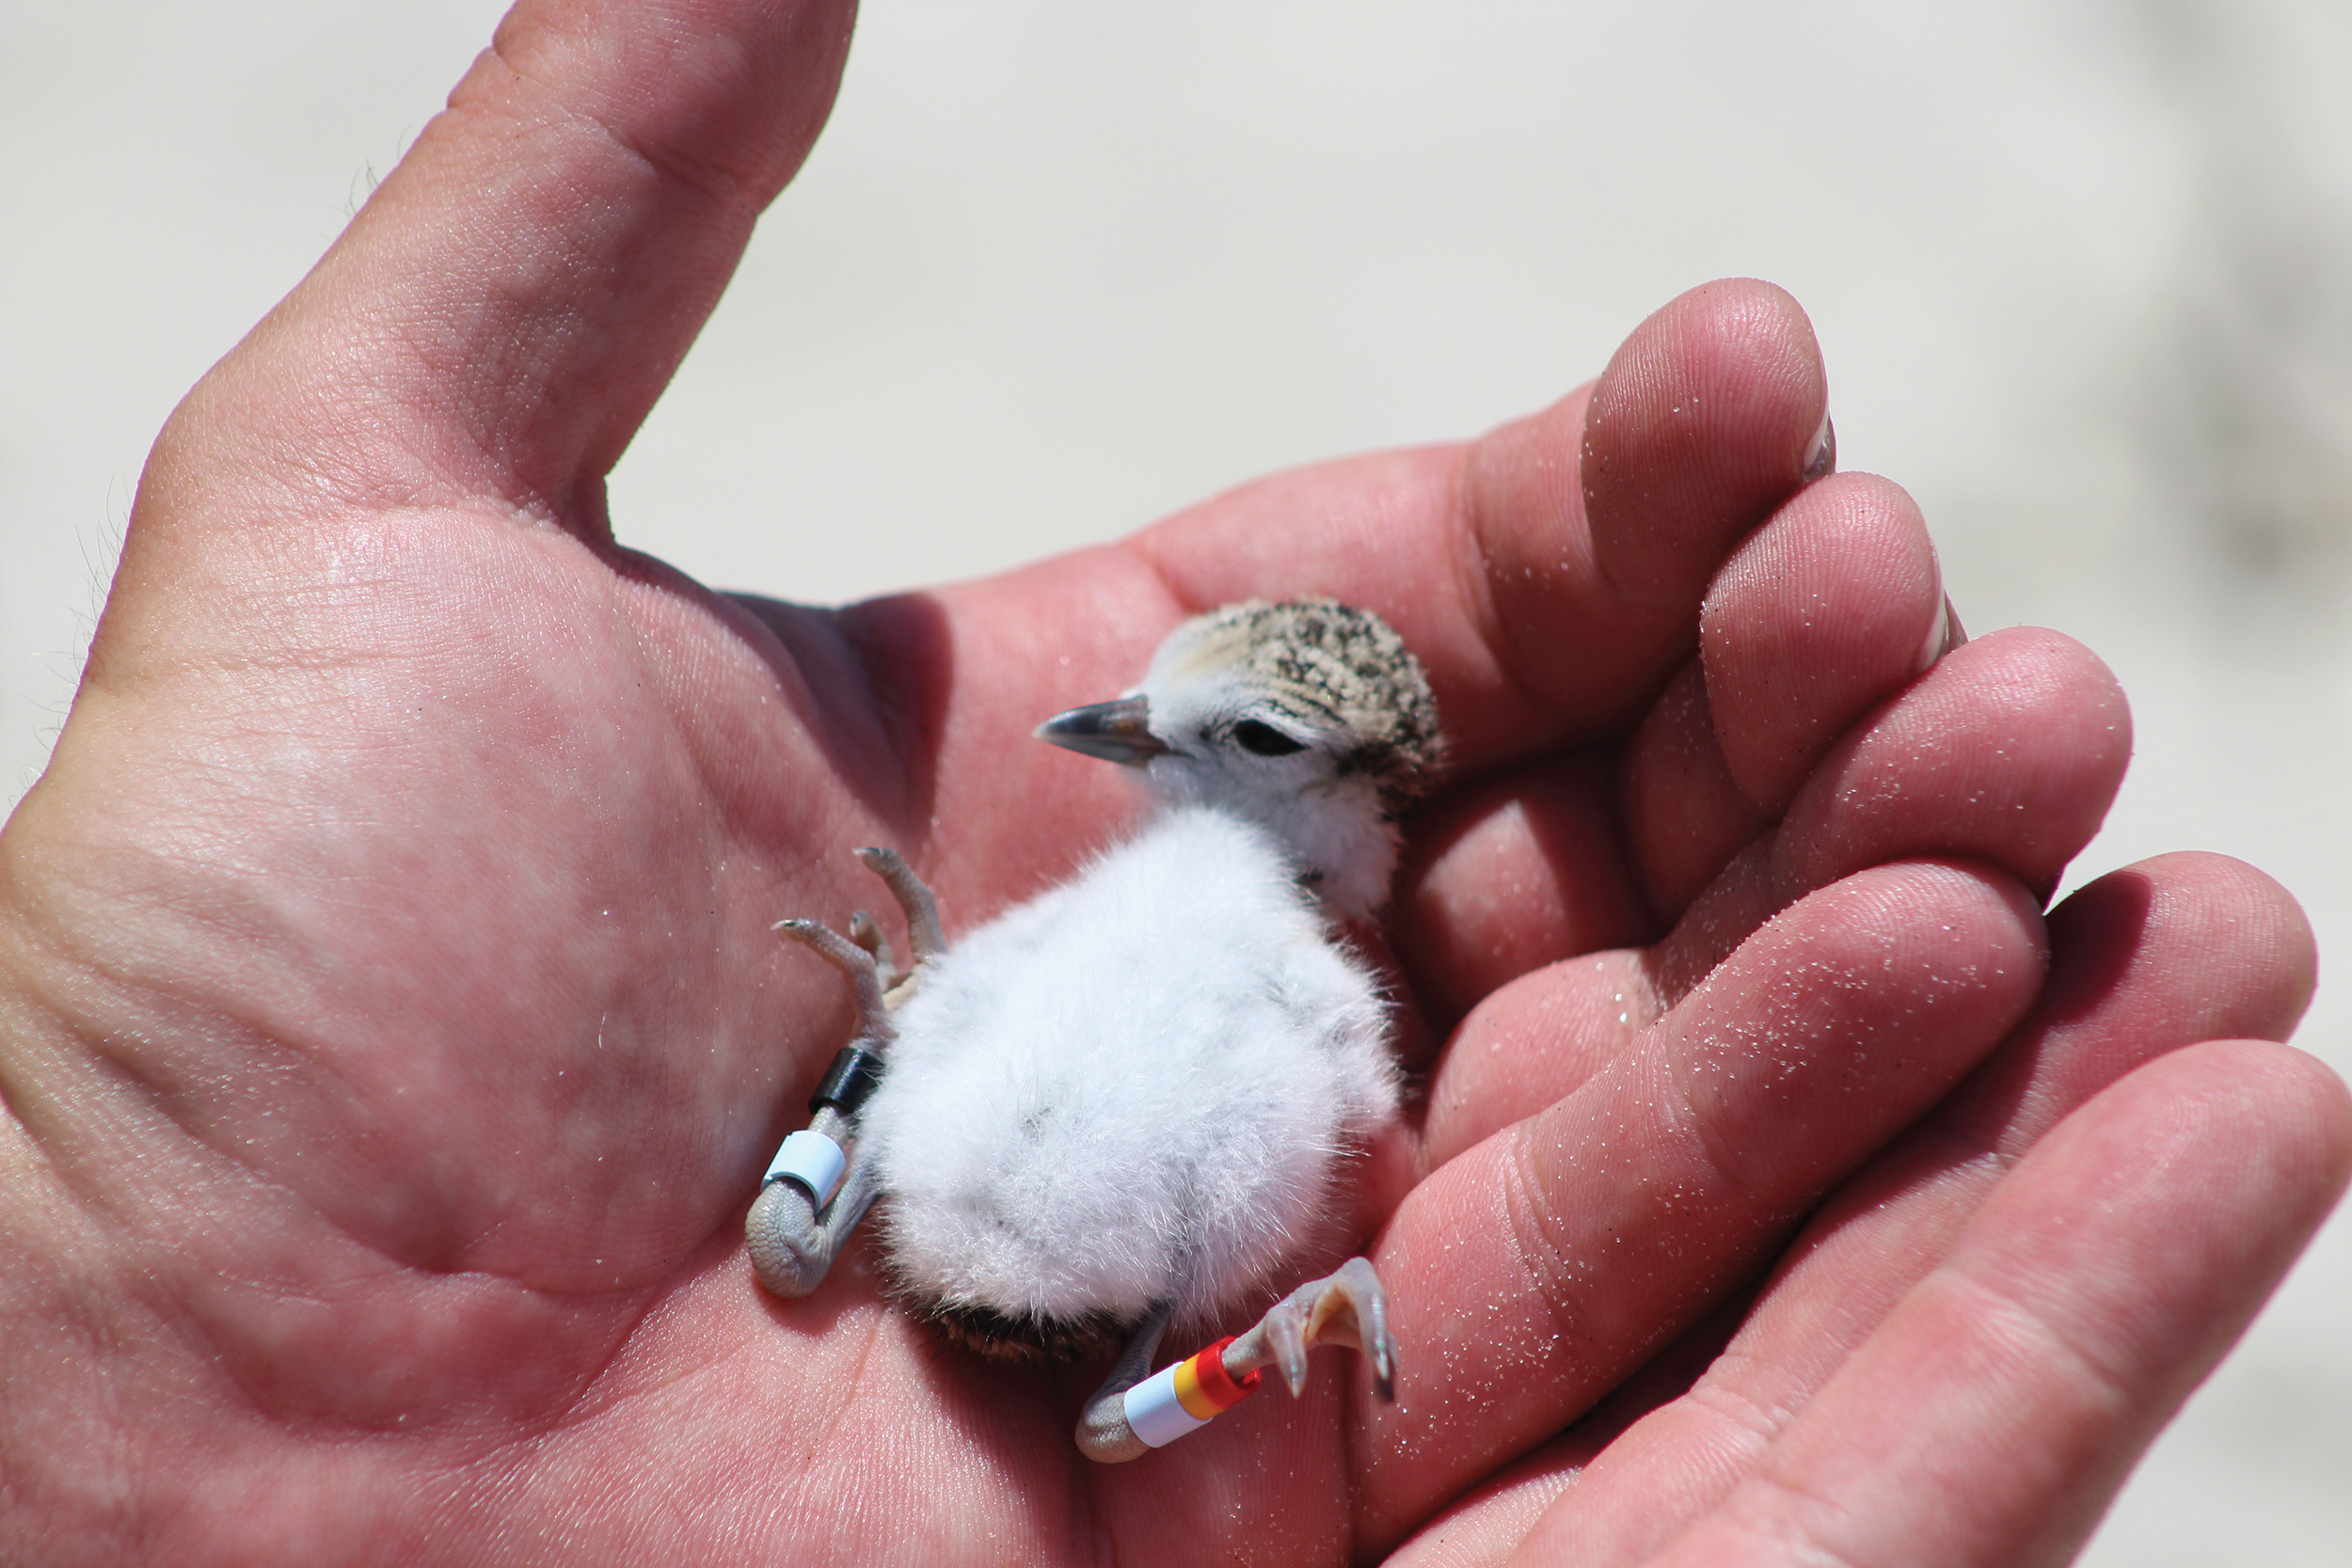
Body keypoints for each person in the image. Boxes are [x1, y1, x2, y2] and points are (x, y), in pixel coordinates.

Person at [0, 2, 2342, 1561]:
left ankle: (848, 1195)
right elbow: (1314, 1137)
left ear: (1316, 792)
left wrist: (895, 1059)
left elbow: (1196, 1075)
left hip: (888, 1225)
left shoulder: (1246, 980)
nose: (1118, 740)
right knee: (1133, 1275)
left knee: (948, 1058)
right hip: (1080, 1337)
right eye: (1153, 712)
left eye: (1195, 736)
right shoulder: (1309, 1007)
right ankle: (1150, 1374)